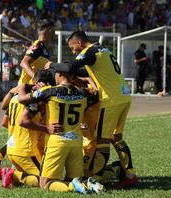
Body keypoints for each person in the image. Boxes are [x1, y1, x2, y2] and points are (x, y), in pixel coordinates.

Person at [50, 31, 137, 188]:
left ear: (79, 43)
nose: (73, 51)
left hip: (110, 100)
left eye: (72, 48)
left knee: (102, 139)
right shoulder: (102, 49)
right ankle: (129, 174)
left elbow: (71, 67)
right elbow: (87, 71)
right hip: (124, 96)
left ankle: (96, 178)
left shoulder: (88, 51)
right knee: (116, 137)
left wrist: (50, 65)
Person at [18, 64, 105, 194]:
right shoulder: (83, 93)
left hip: (57, 141)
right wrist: (87, 80)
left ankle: (73, 186)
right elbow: (96, 93)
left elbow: (21, 99)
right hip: (76, 142)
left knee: (45, 184)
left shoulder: (49, 91)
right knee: (72, 178)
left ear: (59, 75)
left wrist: (25, 86)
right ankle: (85, 183)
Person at [0, 70, 56, 188]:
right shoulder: (35, 98)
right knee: (46, 181)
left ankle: (5, 174)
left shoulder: (17, 97)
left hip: (12, 149)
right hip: (26, 151)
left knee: (22, 180)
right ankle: (7, 173)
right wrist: (45, 129)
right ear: (46, 84)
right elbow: (24, 121)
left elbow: (4, 122)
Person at [19, 19, 54, 85]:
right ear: (50, 30)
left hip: (35, 89)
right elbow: (23, 63)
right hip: (25, 90)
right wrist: (37, 78)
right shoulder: (37, 45)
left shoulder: (44, 49)